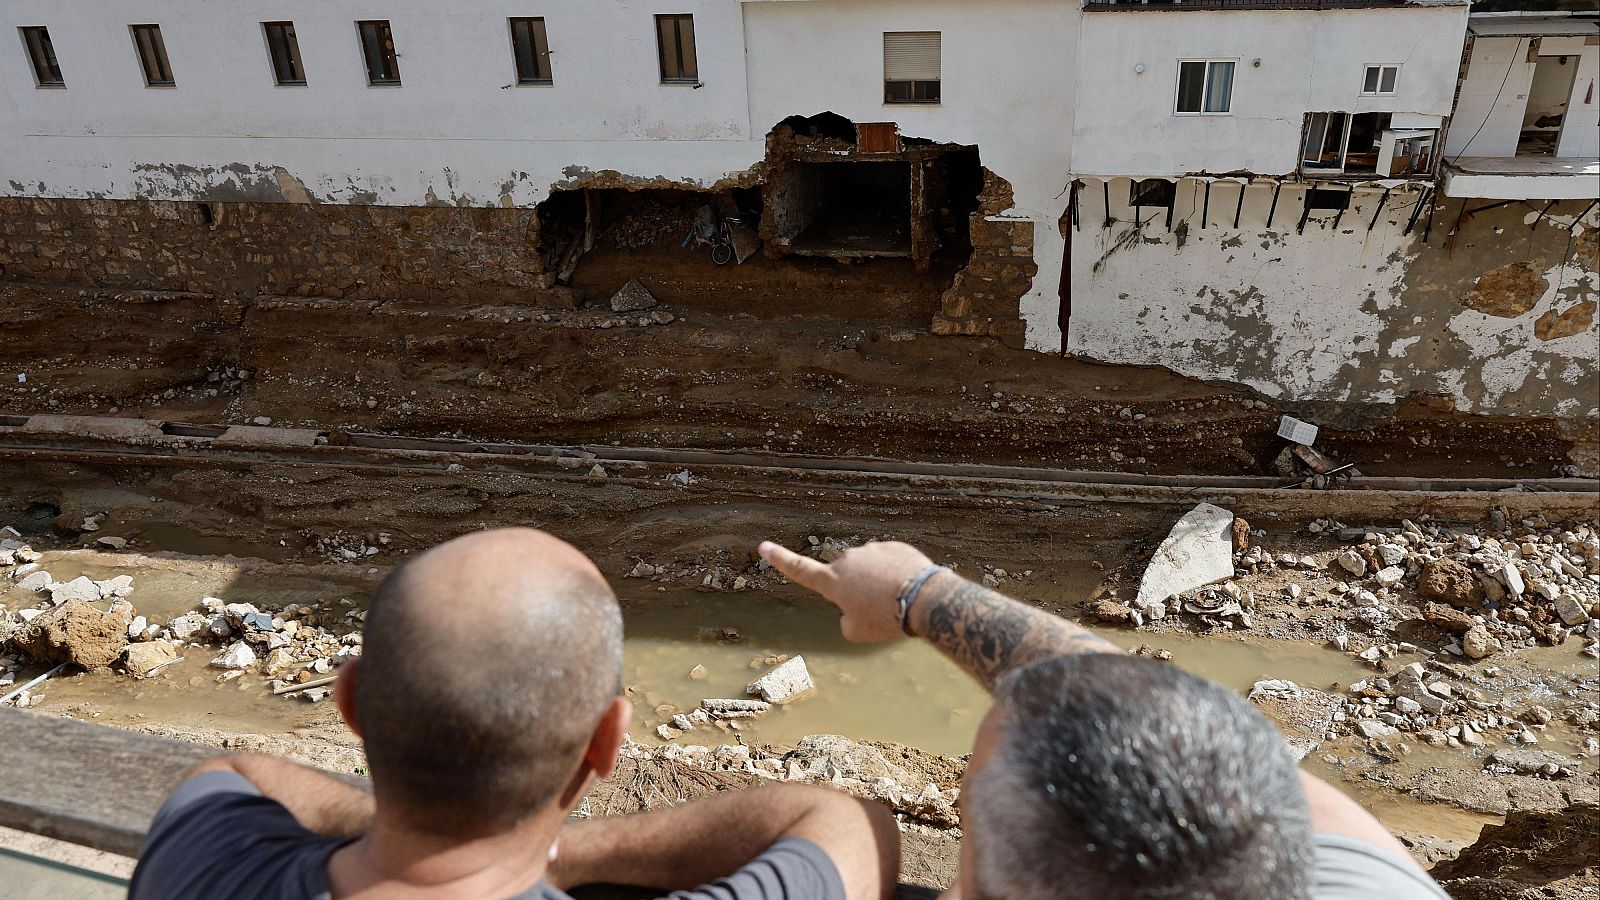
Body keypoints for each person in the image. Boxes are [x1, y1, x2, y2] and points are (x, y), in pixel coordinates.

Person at [130, 528, 898, 900]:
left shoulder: (200, 862)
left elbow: (236, 771)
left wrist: (440, 830)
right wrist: (551, 852)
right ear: (607, 742)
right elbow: (852, 826)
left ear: (351, 703)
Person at [757, 539, 1453, 900]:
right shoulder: (1340, 875)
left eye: (970, 810)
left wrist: (921, 595)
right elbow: (1143, 712)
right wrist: (919, 593)